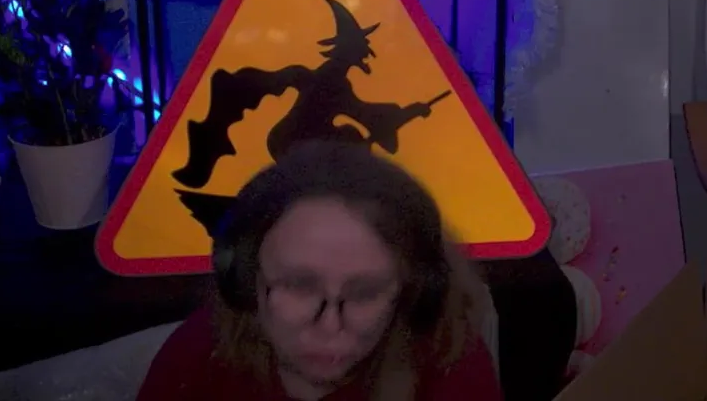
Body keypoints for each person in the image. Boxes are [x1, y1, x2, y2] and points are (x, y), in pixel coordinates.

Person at [137, 142, 504, 401]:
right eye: (299, 285)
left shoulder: (452, 368)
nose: (330, 326)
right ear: (246, 280)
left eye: (364, 293)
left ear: (414, 291)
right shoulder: (195, 360)